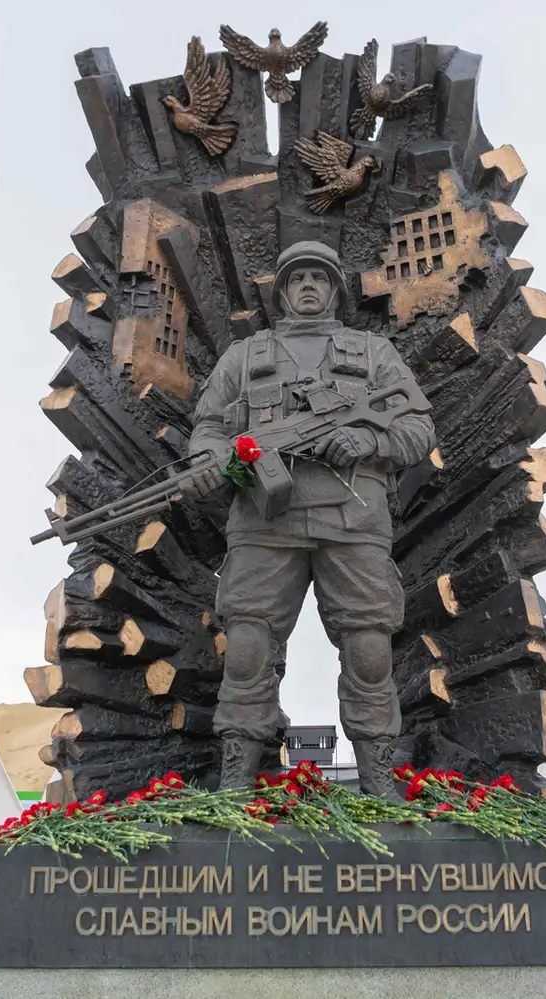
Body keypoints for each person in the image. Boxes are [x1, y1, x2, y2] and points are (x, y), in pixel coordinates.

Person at [181, 240, 437, 798]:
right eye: (297, 279)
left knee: (369, 649)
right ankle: (237, 782)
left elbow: (418, 427)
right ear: (281, 293)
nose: (308, 286)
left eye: (319, 277)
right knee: (247, 647)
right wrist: (208, 462)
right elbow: (209, 428)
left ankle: (378, 781)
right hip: (263, 523)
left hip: (353, 522)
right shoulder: (245, 357)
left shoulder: (372, 353)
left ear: (336, 290)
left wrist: (369, 441)